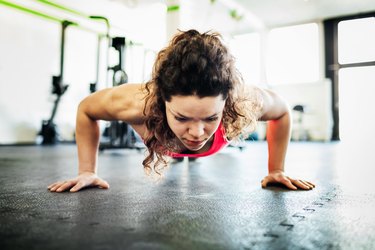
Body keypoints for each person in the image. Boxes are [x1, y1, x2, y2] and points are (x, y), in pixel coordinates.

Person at [48, 29, 315, 193]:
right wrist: (87, 171)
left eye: (211, 118)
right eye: (182, 117)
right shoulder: (136, 102)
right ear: (161, 101)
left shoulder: (243, 101)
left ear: (227, 102)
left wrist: (276, 169)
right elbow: (86, 109)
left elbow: (282, 112)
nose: (198, 132)